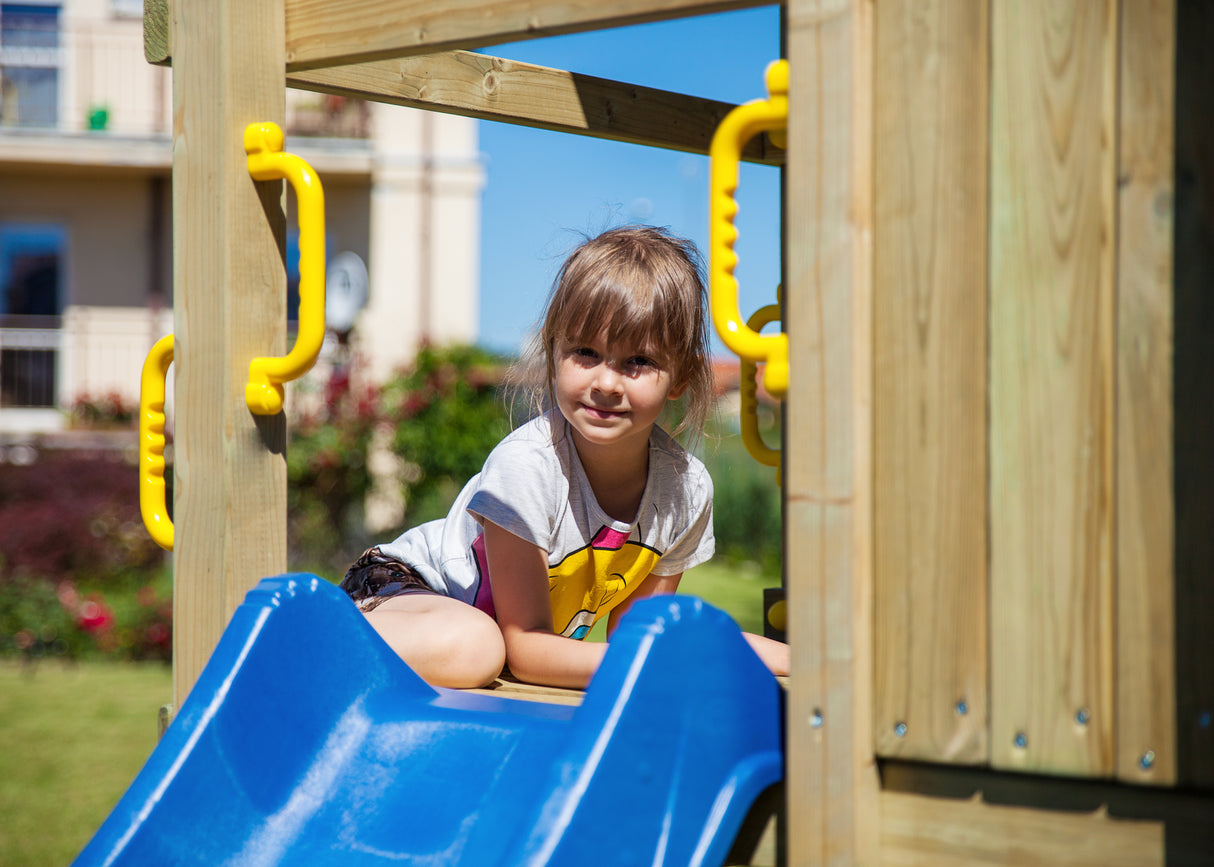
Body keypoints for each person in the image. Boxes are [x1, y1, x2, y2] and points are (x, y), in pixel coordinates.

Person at [341, 226, 790, 689]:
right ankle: (315, 643)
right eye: (586, 353)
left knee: (481, 648)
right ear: (554, 353)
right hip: (402, 592)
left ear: (680, 376)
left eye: (638, 361)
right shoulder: (529, 466)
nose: (607, 383)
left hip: (479, 639)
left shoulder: (684, 490)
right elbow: (527, 648)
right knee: (475, 648)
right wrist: (657, 661)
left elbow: (639, 639)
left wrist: (802, 662)